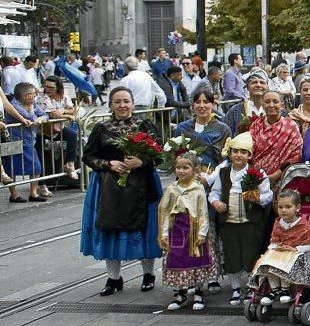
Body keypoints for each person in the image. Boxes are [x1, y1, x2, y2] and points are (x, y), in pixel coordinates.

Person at [80, 86, 163, 295]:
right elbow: (88, 156)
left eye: (126, 101)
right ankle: (113, 278)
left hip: (143, 185)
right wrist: (109, 164)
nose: (122, 105)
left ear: (133, 103)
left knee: (146, 230)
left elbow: (160, 154)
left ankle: (148, 274)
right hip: (109, 187)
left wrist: (141, 161)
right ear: (111, 105)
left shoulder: (145, 125)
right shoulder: (101, 128)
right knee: (110, 229)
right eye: (117, 102)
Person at [208, 132, 274, 305]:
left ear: (249, 155)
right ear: (229, 153)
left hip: (250, 222)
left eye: (243, 152)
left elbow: (269, 194)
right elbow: (214, 192)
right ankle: (236, 288)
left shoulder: (257, 172)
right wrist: (216, 202)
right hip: (229, 222)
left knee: (252, 253)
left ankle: (253, 287)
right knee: (231, 255)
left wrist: (258, 199)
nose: (238, 155)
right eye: (235, 151)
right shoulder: (222, 172)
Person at [158, 152, 217, 311]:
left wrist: (202, 233)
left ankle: (198, 291)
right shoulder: (171, 189)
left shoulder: (198, 189)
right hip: (176, 230)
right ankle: (180, 293)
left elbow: (203, 212)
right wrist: (164, 234)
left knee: (196, 260)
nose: (181, 171)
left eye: (186, 167)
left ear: (195, 170)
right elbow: (164, 211)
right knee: (176, 259)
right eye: (178, 168)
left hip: (194, 229)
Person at [249, 91, 303, 186]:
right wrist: (255, 176)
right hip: (256, 179)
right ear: (262, 104)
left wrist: (275, 176)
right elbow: (249, 151)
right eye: (267, 102)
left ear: (281, 105)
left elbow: (296, 155)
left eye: (275, 101)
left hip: (283, 179)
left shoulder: (291, 126)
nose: (271, 105)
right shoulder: (256, 125)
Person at [5, 82, 47, 202]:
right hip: (13, 140)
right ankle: (14, 195)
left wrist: (41, 118)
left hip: (29, 141)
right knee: (11, 169)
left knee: (36, 168)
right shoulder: (14, 105)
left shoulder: (33, 104)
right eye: (33, 94)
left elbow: (44, 115)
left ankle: (33, 193)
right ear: (26, 96)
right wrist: (36, 117)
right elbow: (30, 118)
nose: (35, 96)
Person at [173, 90, 232, 173]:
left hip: (213, 176)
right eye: (197, 102)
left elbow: (226, 158)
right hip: (186, 176)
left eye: (206, 102)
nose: (201, 106)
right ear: (193, 105)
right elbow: (175, 155)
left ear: (212, 104)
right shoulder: (182, 128)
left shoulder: (223, 129)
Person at [36, 75, 80, 183]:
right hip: (42, 131)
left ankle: (70, 164)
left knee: (72, 135)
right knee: (40, 157)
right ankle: (41, 184)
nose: (48, 89)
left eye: (51, 87)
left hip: (59, 128)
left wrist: (63, 111)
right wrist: (68, 114)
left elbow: (74, 110)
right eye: (46, 86)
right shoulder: (42, 97)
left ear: (58, 87)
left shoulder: (64, 96)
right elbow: (53, 115)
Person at [225, 69, 269, 134]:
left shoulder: (275, 110)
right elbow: (228, 137)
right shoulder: (234, 111)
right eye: (254, 82)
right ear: (247, 87)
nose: (258, 85)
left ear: (267, 87)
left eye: (262, 82)